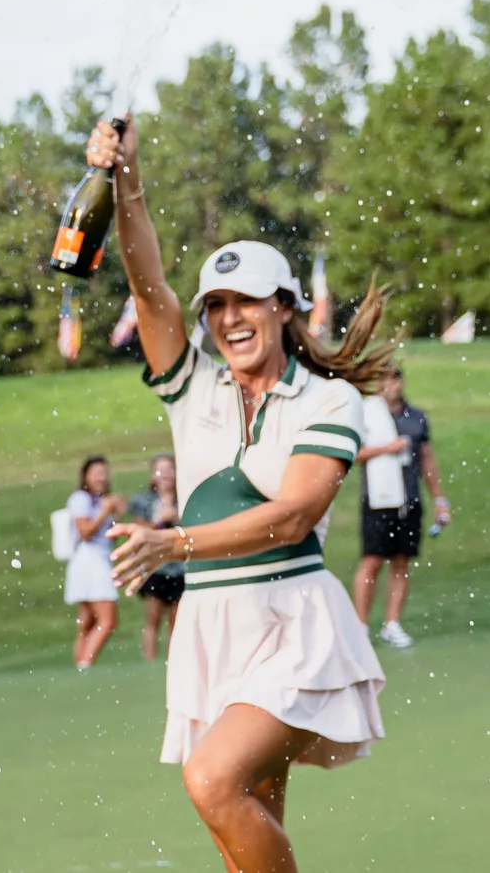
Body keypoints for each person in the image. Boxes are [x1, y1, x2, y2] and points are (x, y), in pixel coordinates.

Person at [88, 119, 393, 873]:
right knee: (241, 826)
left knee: (212, 780)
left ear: (285, 306)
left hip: (293, 619)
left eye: (246, 301)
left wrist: (175, 542)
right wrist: (126, 180)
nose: (229, 319)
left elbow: (294, 515)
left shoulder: (328, 399)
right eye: (215, 305)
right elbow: (147, 284)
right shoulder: (194, 385)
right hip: (211, 622)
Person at [352, 367, 451, 648]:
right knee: (372, 561)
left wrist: (439, 500)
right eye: (384, 378)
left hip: (409, 499)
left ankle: (392, 624)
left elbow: (427, 460)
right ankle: (360, 626)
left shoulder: (416, 417)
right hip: (378, 499)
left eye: (395, 378)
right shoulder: (367, 415)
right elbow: (354, 453)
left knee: (401, 561)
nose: (391, 384)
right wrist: (387, 448)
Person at [64, 455, 127, 670]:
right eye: (97, 473)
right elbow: (85, 532)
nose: (102, 477)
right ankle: (85, 664)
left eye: (104, 473)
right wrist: (104, 511)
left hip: (99, 557)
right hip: (89, 560)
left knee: (87, 621)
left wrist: (117, 516)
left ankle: (80, 667)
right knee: (107, 620)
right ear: (85, 476)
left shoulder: (101, 500)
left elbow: (109, 538)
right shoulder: (80, 499)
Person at [128, 454, 183, 662]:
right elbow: (138, 530)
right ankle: (149, 661)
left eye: (170, 469)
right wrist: (160, 521)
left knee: (177, 618)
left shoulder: (184, 497)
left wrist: (176, 518)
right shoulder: (144, 500)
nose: (165, 475)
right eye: (161, 470)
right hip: (155, 566)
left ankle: (173, 661)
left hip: (181, 566)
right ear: (153, 475)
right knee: (153, 616)